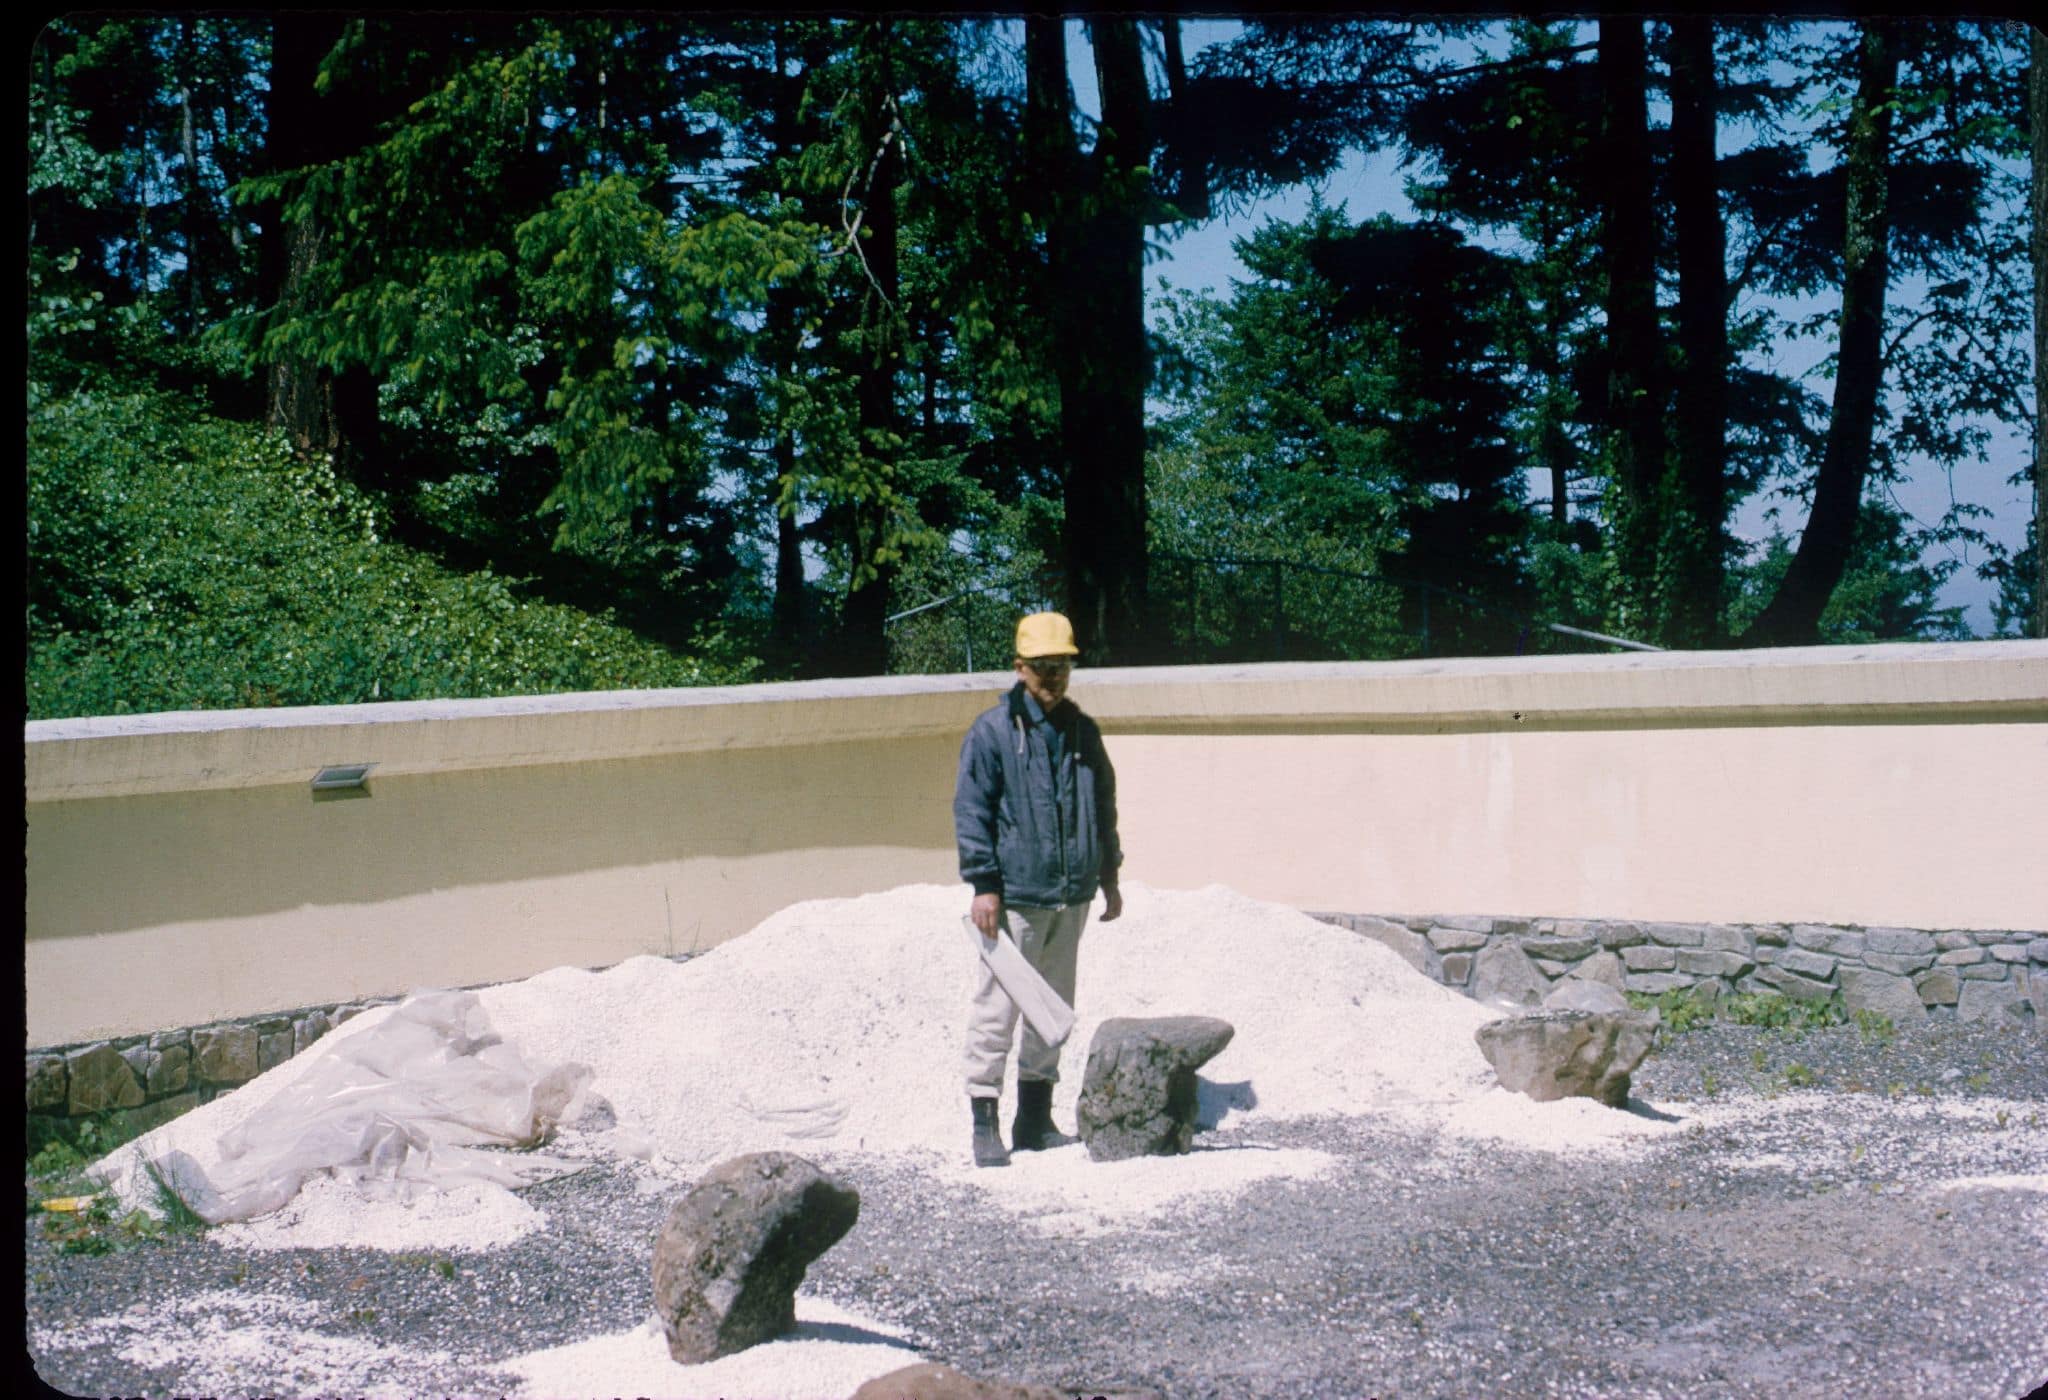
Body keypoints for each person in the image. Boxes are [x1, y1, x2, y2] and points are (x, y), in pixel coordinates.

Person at [952, 610, 1123, 1167]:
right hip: (1015, 898)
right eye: (1044, 667)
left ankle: (1033, 1120)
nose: (1054, 676)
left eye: (1063, 666)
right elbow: (972, 810)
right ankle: (984, 1123)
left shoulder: (1082, 731)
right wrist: (983, 885)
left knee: (1053, 1011)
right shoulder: (992, 733)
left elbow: (1103, 808)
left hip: (1069, 897)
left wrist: (1109, 876)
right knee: (997, 1010)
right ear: (1020, 668)